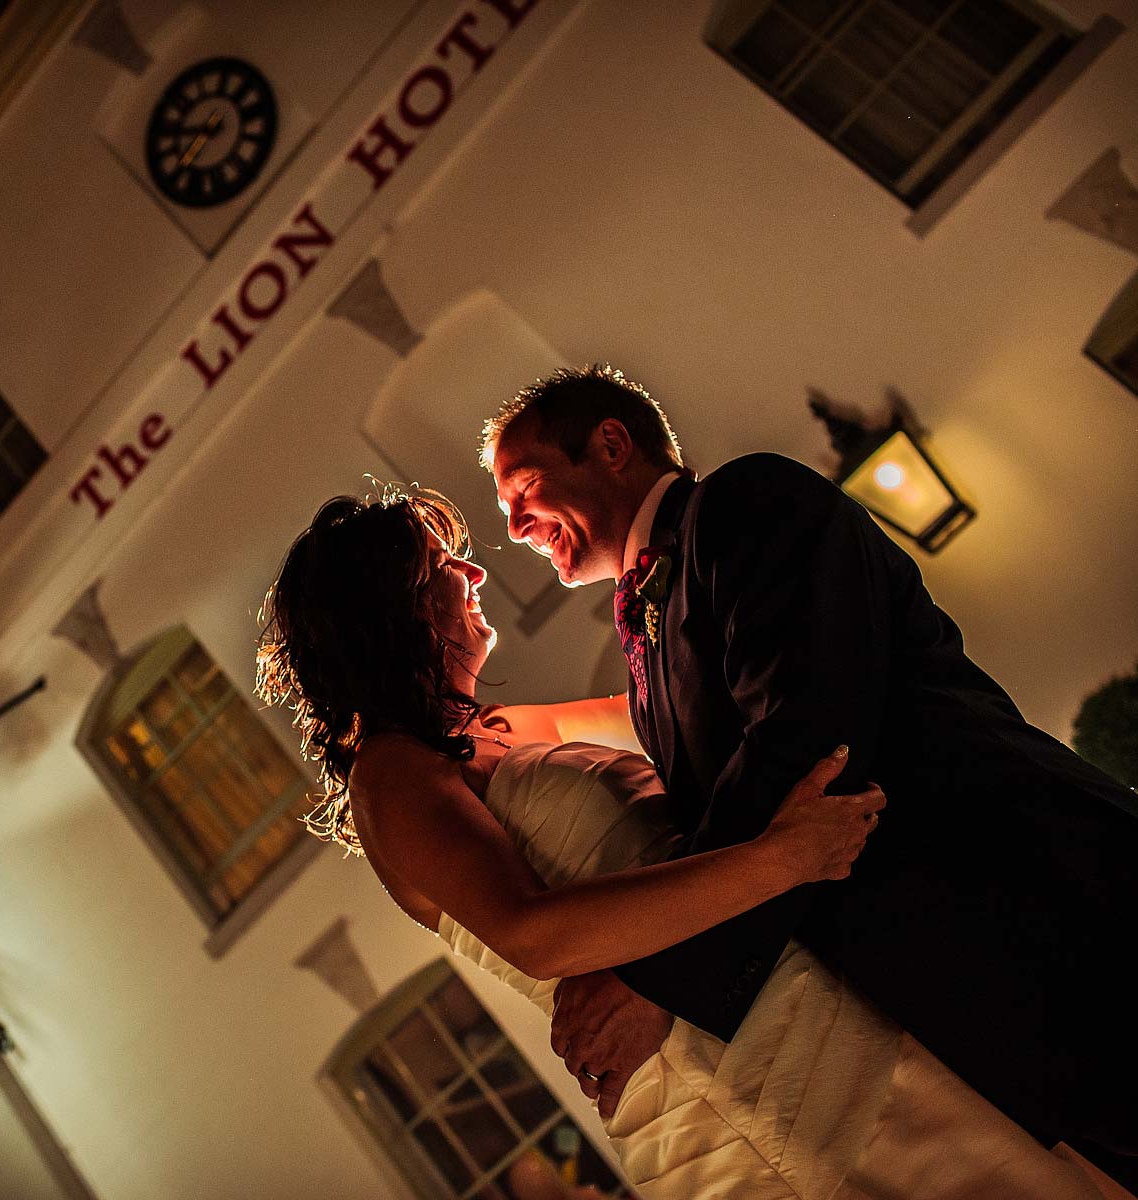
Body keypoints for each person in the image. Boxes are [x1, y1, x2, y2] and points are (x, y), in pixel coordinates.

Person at [257, 489, 1113, 1199]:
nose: (475, 570)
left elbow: (681, 699)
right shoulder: (392, 777)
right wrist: (778, 857)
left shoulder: (502, 730)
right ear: (390, 607)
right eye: (443, 564)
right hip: (744, 1090)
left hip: (813, 1003)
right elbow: (531, 930)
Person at [481, 364, 1137, 1186]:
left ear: (610, 445)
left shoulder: (747, 502)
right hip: (959, 987)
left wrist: (659, 977)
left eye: (526, 488)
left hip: (1040, 896)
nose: (513, 527)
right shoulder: (644, 639)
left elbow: (809, 739)